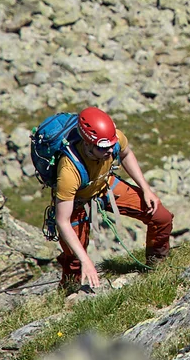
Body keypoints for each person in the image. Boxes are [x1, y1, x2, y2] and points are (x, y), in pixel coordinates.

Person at [51, 106, 173, 292]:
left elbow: (126, 154)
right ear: (87, 144)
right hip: (77, 201)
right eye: (103, 148)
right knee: (74, 255)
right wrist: (86, 260)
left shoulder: (113, 139)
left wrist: (146, 189)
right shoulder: (68, 171)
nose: (110, 151)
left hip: (105, 184)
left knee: (161, 217)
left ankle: (158, 265)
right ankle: (70, 289)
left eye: (111, 146)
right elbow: (62, 221)